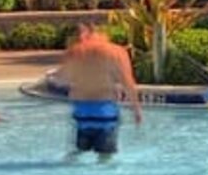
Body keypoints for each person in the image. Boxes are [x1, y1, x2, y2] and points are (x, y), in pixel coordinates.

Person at [57, 24, 143, 160]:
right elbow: (128, 83)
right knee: (105, 157)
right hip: (105, 112)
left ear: (86, 33)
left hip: (81, 113)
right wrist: (137, 111)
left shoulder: (75, 51)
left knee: (78, 151)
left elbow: (62, 79)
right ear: (101, 32)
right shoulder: (116, 51)